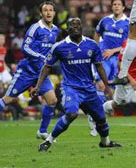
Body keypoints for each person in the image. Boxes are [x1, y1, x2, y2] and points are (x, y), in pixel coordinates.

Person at [33, 18, 121, 151]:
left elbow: (99, 66)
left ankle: (105, 142)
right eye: (72, 25)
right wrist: (38, 86)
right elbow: (47, 67)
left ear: (82, 27)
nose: (75, 27)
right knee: (71, 114)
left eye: (78, 24)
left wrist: (107, 87)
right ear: (67, 29)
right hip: (71, 88)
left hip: (89, 89)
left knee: (101, 119)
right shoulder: (59, 47)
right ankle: (48, 141)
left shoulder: (92, 45)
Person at [0, 2, 59, 144]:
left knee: (52, 100)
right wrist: (40, 57)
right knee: (8, 99)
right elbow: (24, 48)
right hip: (26, 71)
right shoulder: (35, 28)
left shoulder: (55, 30)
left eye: (51, 10)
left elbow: (51, 50)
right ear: (41, 13)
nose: (48, 13)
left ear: (54, 13)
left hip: (41, 72)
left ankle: (42, 131)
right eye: (45, 10)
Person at [88, 0, 130, 136]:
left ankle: (98, 116)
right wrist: (96, 49)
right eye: (114, 4)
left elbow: (128, 44)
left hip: (117, 60)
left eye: (119, 4)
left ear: (123, 7)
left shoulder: (128, 23)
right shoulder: (105, 20)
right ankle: (94, 119)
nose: (116, 6)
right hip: (103, 59)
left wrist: (113, 50)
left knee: (110, 91)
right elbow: (97, 33)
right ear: (111, 7)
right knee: (100, 85)